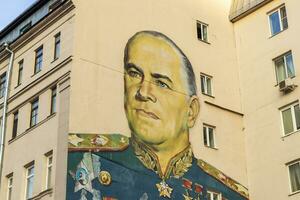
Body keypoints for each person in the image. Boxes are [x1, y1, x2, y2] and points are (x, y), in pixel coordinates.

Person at [66, 31, 249, 200]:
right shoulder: (83, 160)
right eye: (134, 74)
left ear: (191, 111)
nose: (143, 92)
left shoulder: (226, 193)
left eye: (162, 83)